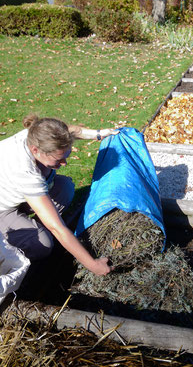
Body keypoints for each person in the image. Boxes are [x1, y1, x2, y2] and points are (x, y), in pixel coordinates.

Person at [0, 114, 118, 276]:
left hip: (13, 192)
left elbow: (70, 131)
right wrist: (93, 265)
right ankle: (10, 247)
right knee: (42, 244)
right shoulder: (24, 171)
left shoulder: (38, 134)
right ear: (35, 150)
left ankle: (31, 227)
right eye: (58, 160)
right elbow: (57, 227)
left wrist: (98, 133)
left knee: (65, 187)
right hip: (2, 208)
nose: (64, 164)